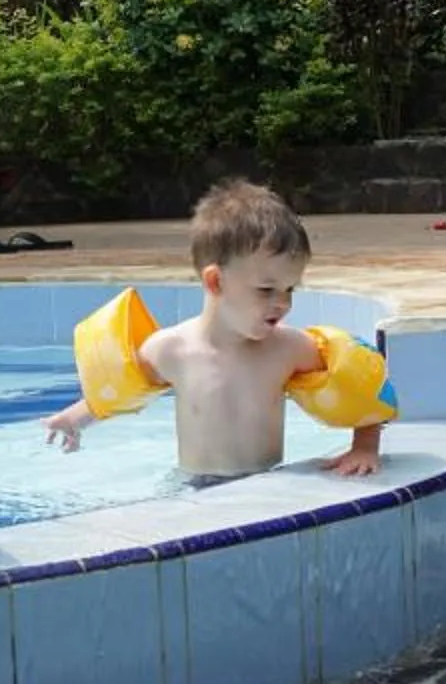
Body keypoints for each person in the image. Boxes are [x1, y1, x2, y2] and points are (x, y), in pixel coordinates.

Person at [43, 180, 397, 478]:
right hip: (194, 489)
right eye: (266, 290)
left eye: (290, 289)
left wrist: (363, 448)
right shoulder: (170, 349)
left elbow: (360, 387)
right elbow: (118, 388)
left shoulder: (288, 348)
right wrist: (74, 419)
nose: (283, 303)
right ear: (215, 282)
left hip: (267, 486)